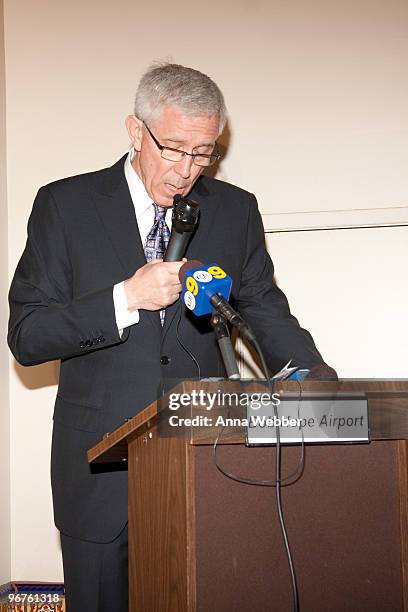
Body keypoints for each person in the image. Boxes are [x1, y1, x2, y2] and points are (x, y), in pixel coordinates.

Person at [8, 62, 336, 611]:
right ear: (136, 131)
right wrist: (124, 299)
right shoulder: (65, 206)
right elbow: (28, 334)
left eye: (204, 152)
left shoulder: (235, 211)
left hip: (209, 465)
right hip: (98, 471)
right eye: (175, 149)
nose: (188, 170)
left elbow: (262, 307)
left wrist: (318, 379)